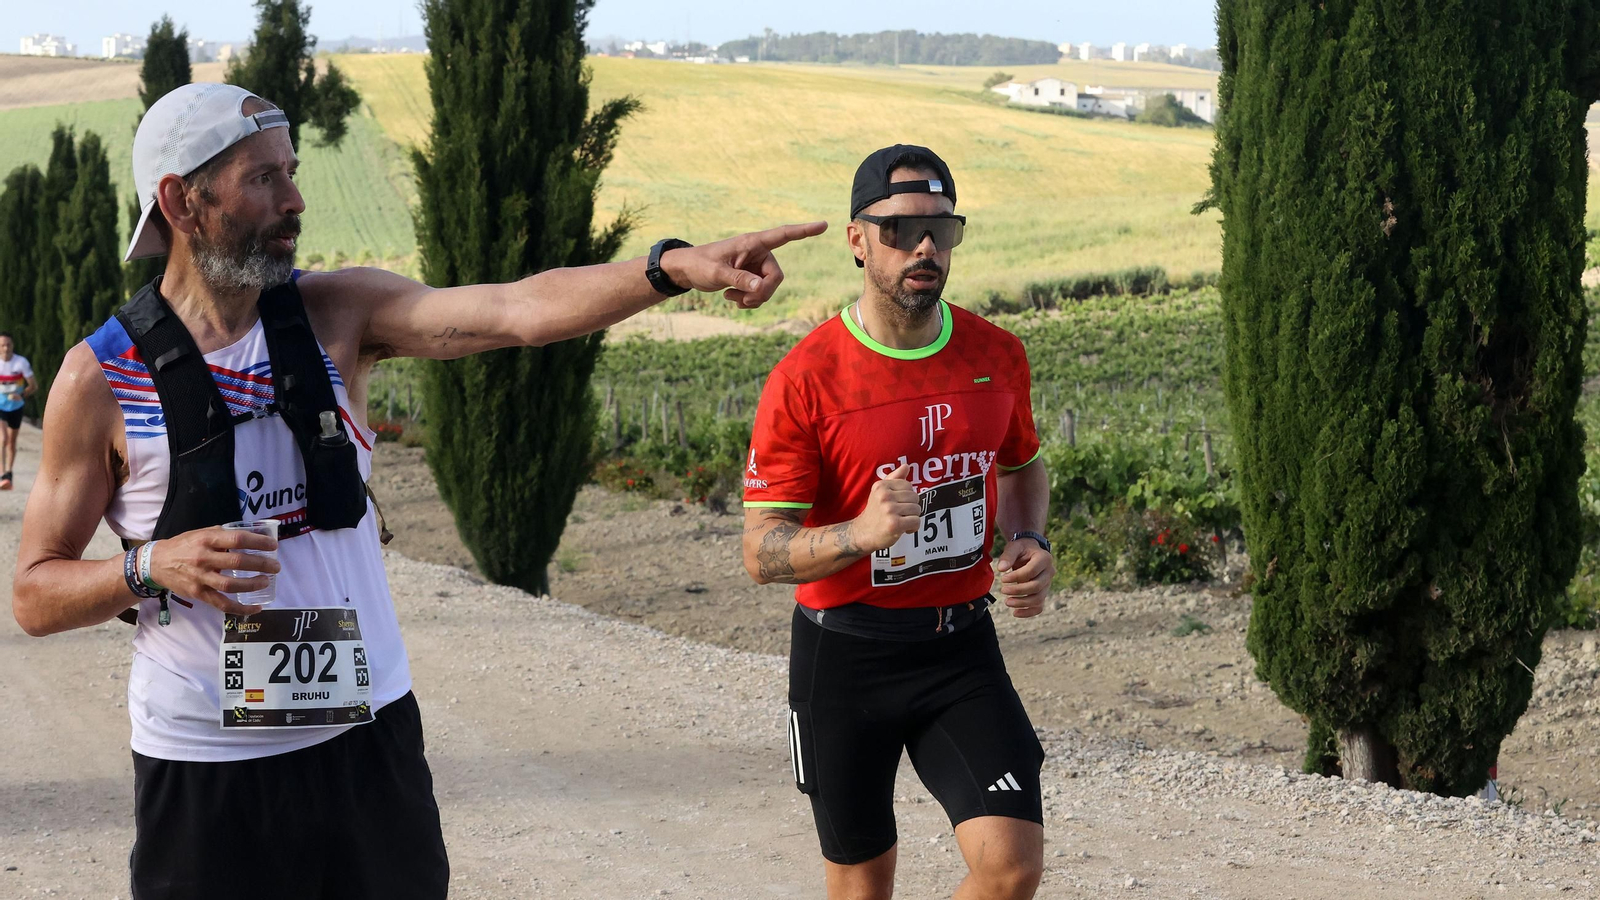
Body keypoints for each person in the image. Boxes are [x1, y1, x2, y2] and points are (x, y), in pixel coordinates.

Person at [10, 82, 822, 900]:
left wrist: (669, 268)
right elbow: (34, 594)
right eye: (263, 179)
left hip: (367, 747)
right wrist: (149, 567)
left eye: (292, 172)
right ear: (182, 202)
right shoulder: (100, 377)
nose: (295, 200)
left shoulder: (339, 315)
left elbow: (515, 311)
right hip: (205, 765)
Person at [742, 145, 1055, 900]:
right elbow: (760, 552)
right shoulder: (805, 378)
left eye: (941, 231)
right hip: (845, 658)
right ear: (857, 240)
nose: (924, 248)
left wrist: (1028, 539)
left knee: (1011, 869)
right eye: (900, 231)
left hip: (960, 648)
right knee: (862, 885)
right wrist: (858, 534)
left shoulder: (997, 354)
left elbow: (1021, 466)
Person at [0, 332, 37, 490]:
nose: (6, 348)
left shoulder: (20, 363)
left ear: (12, 346)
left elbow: (33, 386)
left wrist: (21, 394)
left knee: (11, 442)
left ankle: (9, 473)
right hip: (0, 405)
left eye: (8, 344)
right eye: (2, 345)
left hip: (15, 407)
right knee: (3, 438)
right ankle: (2, 474)